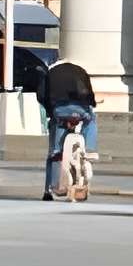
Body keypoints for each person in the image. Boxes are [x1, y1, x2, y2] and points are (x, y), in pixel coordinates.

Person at [39, 53, 98, 202]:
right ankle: (89, 149)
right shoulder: (80, 70)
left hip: (60, 111)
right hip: (81, 110)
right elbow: (90, 95)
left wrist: (51, 112)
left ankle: (49, 190)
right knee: (91, 119)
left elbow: (41, 96)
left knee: (54, 153)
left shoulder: (50, 73)